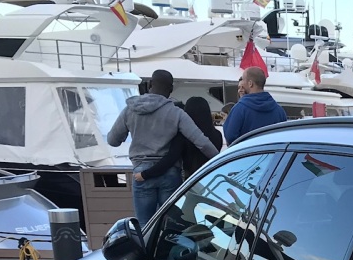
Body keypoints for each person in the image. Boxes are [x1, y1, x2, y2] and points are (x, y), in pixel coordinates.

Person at [107, 69, 219, 223]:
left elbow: (112, 140)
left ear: (149, 84)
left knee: (144, 227)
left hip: (142, 174)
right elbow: (201, 141)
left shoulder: (130, 110)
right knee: (170, 226)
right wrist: (220, 160)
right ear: (171, 89)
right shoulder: (176, 113)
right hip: (169, 174)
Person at [135, 96, 224, 187]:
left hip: (191, 182)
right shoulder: (217, 135)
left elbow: (170, 158)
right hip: (213, 180)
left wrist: (145, 174)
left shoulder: (183, 136)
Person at [223, 66, 287, 144]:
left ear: (250, 83)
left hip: (247, 155)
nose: (242, 84)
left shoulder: (240, 109)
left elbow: (230, 137)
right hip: (273, 155)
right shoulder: (279, 111)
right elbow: (284, 138)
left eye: (243, 79)